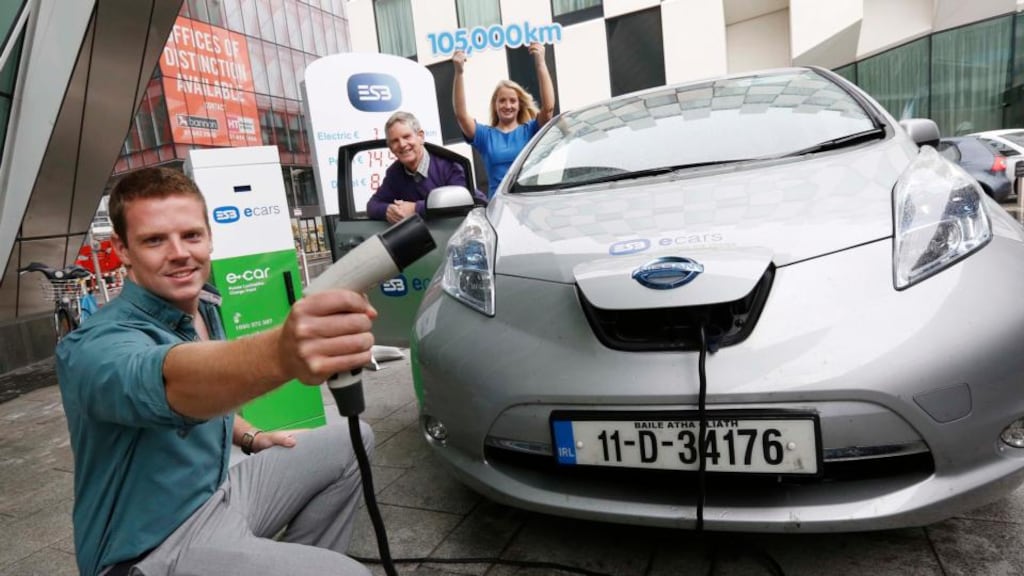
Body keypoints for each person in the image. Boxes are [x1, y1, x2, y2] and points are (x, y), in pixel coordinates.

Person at [56, 167, 375, 576]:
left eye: (190, 235)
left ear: (209, 237)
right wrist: (284, 353)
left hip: (219, 494)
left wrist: (251, 436)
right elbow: (171, 380)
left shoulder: (204, 304)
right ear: (122, 249)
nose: (179, 253)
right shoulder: (91, 346)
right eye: (154, 240)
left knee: (354, 439)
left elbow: (209, 397)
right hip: (154, 547)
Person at [453, 42, 556, 198]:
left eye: (513, 101)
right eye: (502, 101)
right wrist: (459, 73)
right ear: (495, 105)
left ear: (520, 105)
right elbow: (461, 115)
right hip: (498, 208)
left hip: (529, 202)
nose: (507, 105)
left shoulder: (530, 130)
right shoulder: (485, 136)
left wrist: (541, 63)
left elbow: (548, 108)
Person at [366, 110, 484, 223]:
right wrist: (387, 210)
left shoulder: (449, 165)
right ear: (390, 148)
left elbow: (472, 201)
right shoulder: (394, 173)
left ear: (420, 137)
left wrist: (416, 209)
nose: (402, 144)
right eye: (395, 141)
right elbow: (372, 205)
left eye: (406, 137)